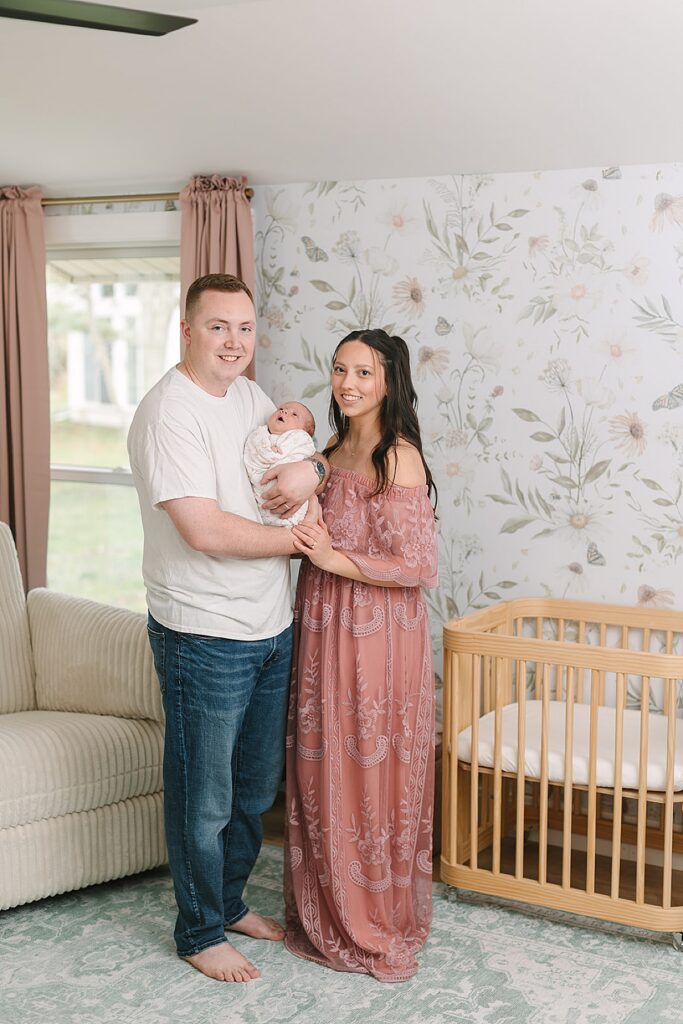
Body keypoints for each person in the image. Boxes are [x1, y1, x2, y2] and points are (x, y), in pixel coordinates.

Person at [127, 273, 328, 984]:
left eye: (244, 328)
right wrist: (302, 545)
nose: (234, 342)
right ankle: (199, 929)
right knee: (202, 795)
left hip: (270, 624)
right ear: (187, 331)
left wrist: (317, 467)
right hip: (203, 632)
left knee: (251, 789)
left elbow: (293, 457)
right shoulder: (168, 412)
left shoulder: (250, 396)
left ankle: (231, 901)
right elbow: (203, 528)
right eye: (218, 327)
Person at [284, 328, 439, 982]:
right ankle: (326, 907)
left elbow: (417, 565)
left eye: (364, 374)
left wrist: (330, 557)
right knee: (323, 769)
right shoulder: (328, 450)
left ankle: (373, 916)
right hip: (322, 621)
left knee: (370, 773)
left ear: (388, 382)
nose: (347, 384)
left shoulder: (394, 455)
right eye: (340, 370)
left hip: (377, 632)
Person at [244, 401, 316, 526]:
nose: (284, 411)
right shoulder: (260, 434)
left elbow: (303, 455)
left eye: (294, 414)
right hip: (263, 499)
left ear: (304, 431)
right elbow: (252, 453)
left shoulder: (301, 439)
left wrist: (275, 455)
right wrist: (267, 451)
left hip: (293, 501)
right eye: (281, 408)